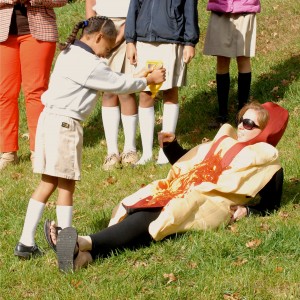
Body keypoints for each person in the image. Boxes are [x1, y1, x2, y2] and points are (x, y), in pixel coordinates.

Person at [45, 101, 289, 272]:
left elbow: (272, 205)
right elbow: (189, 163)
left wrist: (247, 211)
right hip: (183, 187)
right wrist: (171, 146)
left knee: (159, 214)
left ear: (264, 130)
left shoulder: (268, 163)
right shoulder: (225, 142)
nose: (242, 127)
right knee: (144, 205)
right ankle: (85, 256)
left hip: (207, 201)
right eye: (242, 121)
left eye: (250, 124)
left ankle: (84, 242)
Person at [14, 16, 166, 259]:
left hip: (49, 120)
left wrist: (139, 75)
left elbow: (113, 80)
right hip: (66, 125)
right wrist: (147, 80)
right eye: (108, 46)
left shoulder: (70, 53)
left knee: (48, 183)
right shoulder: (90, 63)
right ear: (98, 38)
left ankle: (25, 242)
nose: (107, 52)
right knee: (67, 184)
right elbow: (117, 84)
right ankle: (66, 244)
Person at [125, 0, 200, 165]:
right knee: (146, 94)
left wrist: (190, 42)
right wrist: (130, 40)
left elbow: (190, 8)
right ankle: (146, 153)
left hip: (172, 40)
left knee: (170, 92)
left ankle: (166, 151)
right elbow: (133, 7)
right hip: (144, 41)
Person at [0, 0, 68, 171]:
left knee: (36, 92)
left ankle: (38, 151)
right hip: (3, 35)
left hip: (39, 33)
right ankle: (7, 152)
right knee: (4, 94)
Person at [86, 0, 139, 170]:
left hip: (127, 25)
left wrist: (123, 32)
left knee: (126, 91)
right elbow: (90, 3)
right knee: (108, 92)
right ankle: (112, 151)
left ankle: (130, 149)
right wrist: (93, 30)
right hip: (100, 28)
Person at [203, 0, 261, 126]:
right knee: (222, 59)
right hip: (220, 8)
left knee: (243, 58)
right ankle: (222, 114)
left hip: (245, 7)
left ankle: (242, 113)